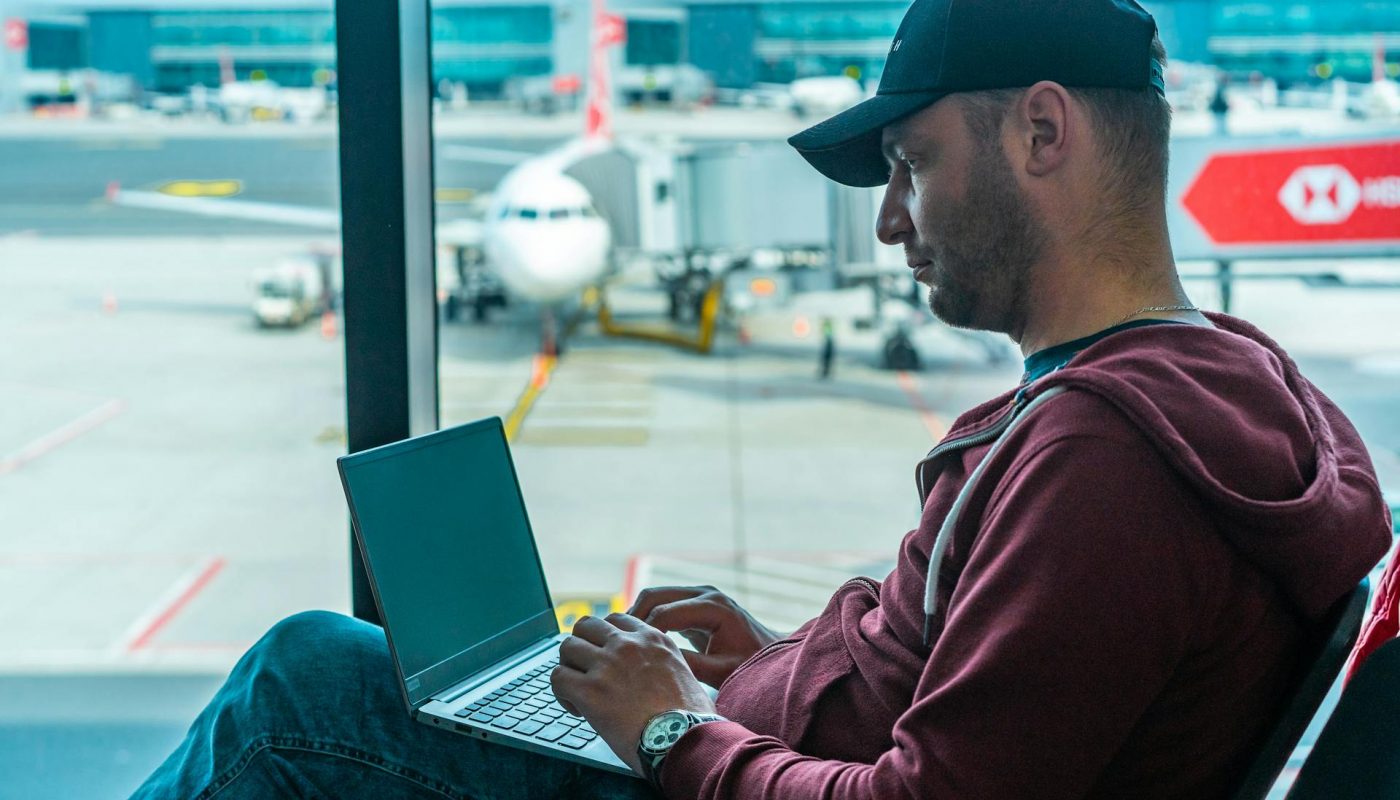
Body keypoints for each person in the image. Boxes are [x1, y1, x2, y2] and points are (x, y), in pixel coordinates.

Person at [134, 1, 1393, 798]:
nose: (890, 219)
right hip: (761, 740)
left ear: (1042, 134)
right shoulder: (1238, 377)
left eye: (910, 166)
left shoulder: (1106, 462)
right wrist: (780, 658)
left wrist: (671, 734)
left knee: (300, 684)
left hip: (706, 777)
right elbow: (983, 696)